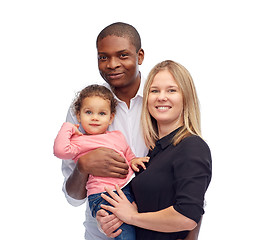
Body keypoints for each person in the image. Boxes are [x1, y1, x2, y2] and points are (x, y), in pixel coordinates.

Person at [61, 22, 202, 240]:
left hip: (154, 229)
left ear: (140, 56)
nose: (112, 64)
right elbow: (73, 197)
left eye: (123, 55)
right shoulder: (84, 110)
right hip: (101, 230)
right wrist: (83, 166)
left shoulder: (160, 103)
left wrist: (190, 236)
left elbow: (190, 184)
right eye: (103, 57)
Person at [99, 60, 212, 240]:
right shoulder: (154, 152)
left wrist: (132, 217)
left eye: (171, 90)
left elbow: (188, 216)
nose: (161, 97)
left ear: (186, 97)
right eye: (154, 90)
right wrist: (111, 217)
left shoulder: (192, 146)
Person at [54, 84, 148, 240]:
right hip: (103, 195)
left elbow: (127, 154)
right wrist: (68, 127)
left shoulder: (117, 136)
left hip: (126, 190)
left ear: (111, 117)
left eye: (102, 113)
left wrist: (134, 161)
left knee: (135, 227)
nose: (95, 117)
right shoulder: (78, 141)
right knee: (123, 233)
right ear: (78, 115)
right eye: (88, 112)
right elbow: (60, 150)